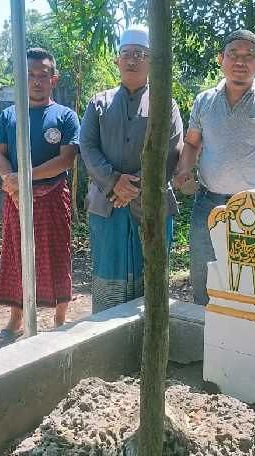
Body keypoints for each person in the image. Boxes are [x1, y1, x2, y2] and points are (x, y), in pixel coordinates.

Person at [173, 29, 255, 306]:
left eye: (249, 56)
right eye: (234, 54)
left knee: (250, 284)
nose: (240, 62)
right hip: (207, 204)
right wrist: (184, 169)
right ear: (221, 59)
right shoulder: (204, 101)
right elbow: (192, 143)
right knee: (204, 281)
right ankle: (205, 341)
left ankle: (244, 345)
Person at [80, 26, 184, 313]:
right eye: (126, 54)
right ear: (117, 61)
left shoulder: (167, 105)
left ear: (152, 61)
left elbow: (174, 150)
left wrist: (134, 187)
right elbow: (86, 147)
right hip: (106, 204)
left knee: (150, 271)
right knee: (107, 267)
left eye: (140, 54)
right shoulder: (98, 103)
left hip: (151, 205)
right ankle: (106, 338)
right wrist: (113, 181)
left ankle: (148, 339)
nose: (132, 60)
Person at [0, 47, 80, 343]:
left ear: (54, 79)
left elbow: (66, 159)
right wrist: (9, 180)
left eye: (43, 75)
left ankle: (60, 317)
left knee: (58, 253)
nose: (37, 81)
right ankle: (16, 319)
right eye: (30, 75)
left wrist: (23, 178)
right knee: (16, 255)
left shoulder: (65, 116)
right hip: (15, 198)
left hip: (53, 196)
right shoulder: (9, 115)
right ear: (21, 78)